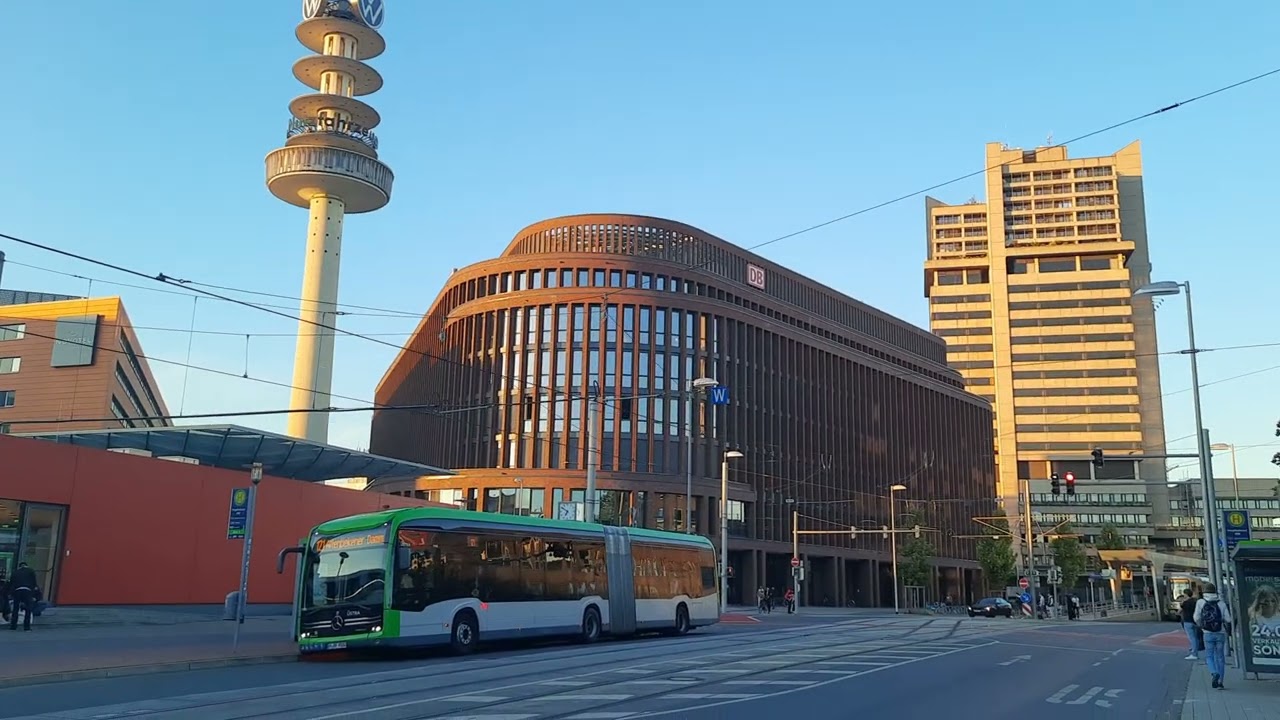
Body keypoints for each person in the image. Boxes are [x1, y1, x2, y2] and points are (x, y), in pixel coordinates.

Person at [1194, 583, 1232, 689]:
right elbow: (1228, 619)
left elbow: (1196, 617)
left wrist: (1202, 626)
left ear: (1204, 592)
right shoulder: (1221, 603)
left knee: (1209, 656)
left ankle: (1214, 672)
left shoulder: (1200, 602)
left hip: (1207, 633)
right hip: (1220, 633)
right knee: (1220, 657)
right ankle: (1220, 683)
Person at [8, 561, 38, 632]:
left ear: (20, 566)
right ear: (26, 566)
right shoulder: (31, 571)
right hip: (27, 591)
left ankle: (13, 626)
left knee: (15, 609)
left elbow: (11, 583)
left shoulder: (15, 572)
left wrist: (11, 593)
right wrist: (33, 593)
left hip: (17, 590)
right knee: (28, 609)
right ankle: (26, 627)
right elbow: (34, 582)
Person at [1179, 592, 1202, 660]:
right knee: (1195, 637)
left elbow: (1181, 608)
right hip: (1194, 621)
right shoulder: (1195, 601)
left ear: (1186, 594)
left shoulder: (1185, 602)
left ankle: (1194, 653)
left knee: (1192, 638)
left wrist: (1183, 601)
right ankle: (1195, 649)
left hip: (1187, 621)